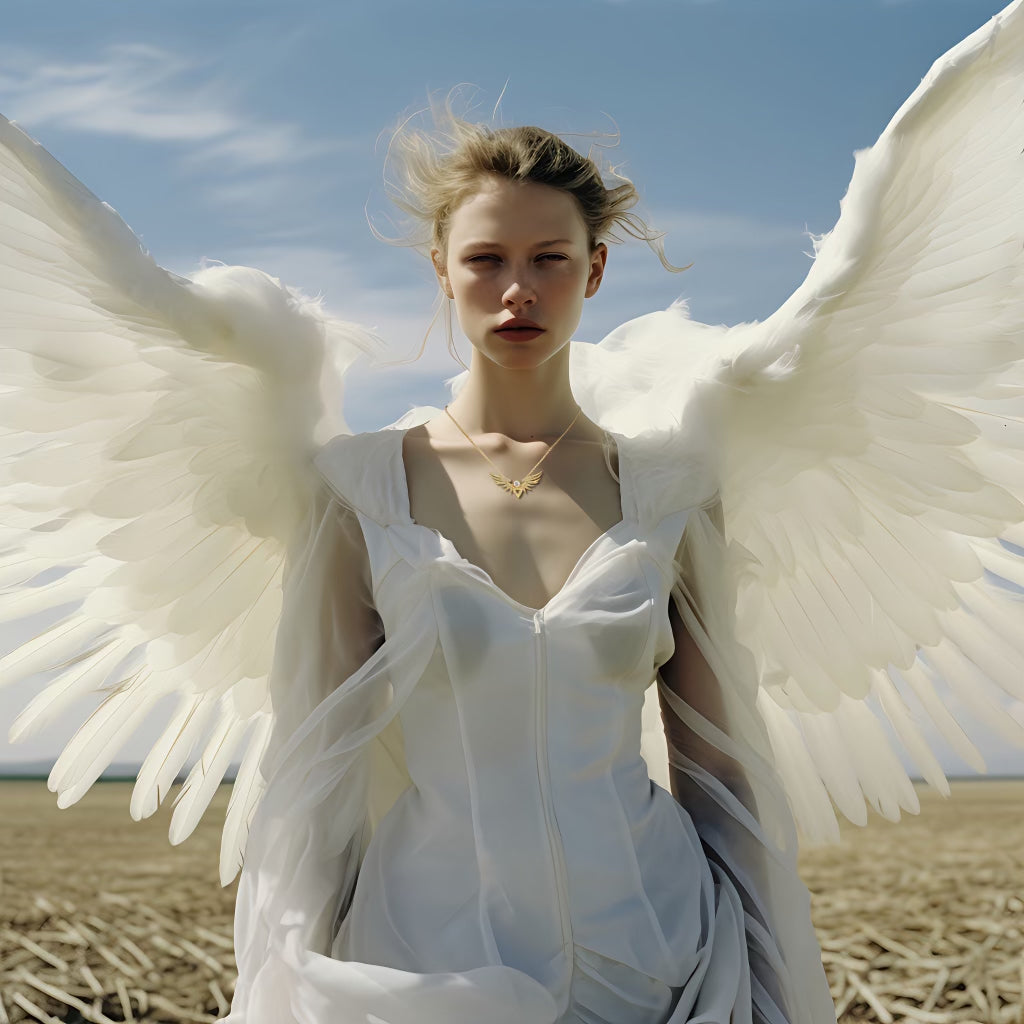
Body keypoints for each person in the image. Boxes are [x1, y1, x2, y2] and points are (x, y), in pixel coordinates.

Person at [2, 3, 1022, 1022]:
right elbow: (312, 776)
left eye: (549, 259)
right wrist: (291, 987)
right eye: (486, 260)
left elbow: (717, 767)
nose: (516, 291)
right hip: (422, 967)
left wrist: (770, 981)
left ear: (595, 270)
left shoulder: (670, 491)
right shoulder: (355, 490)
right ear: (441, 270)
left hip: (662, 960)